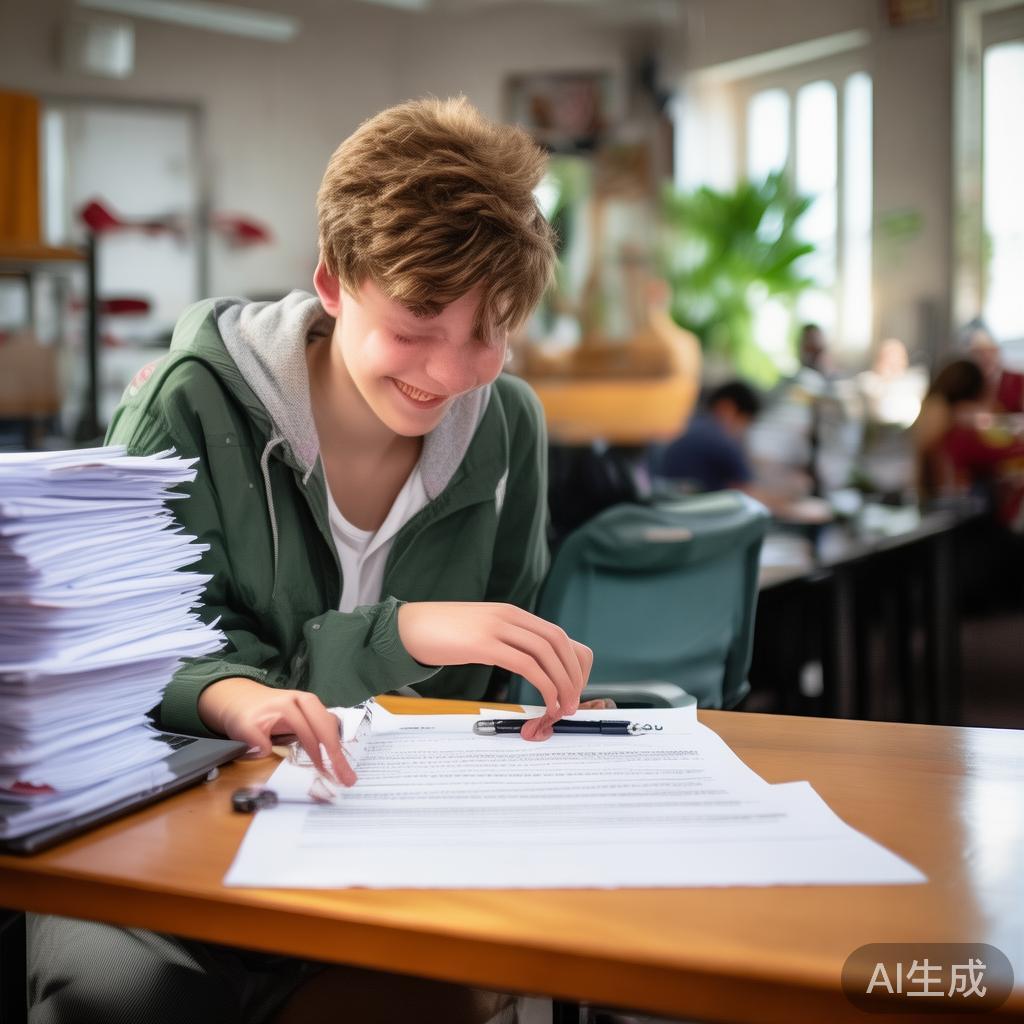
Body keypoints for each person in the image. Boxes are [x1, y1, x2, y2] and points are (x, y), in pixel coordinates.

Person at [28, 98, 601, 1024]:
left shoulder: (508, 428)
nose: (449, 374)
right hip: (169, 836)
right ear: (333, 284)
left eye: (488, 332)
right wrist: (397, 635)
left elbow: (481, 698)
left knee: (442, 1000)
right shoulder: (186, 408)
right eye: (417, 320)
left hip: (384, 847)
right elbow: (123, 673)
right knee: (127, 1005)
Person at [657, 380, 761, 494]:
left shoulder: (690, 424)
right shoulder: (720, 439)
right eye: (744, 421)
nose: (742, 430)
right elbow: (748, 491)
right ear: (727, 408)